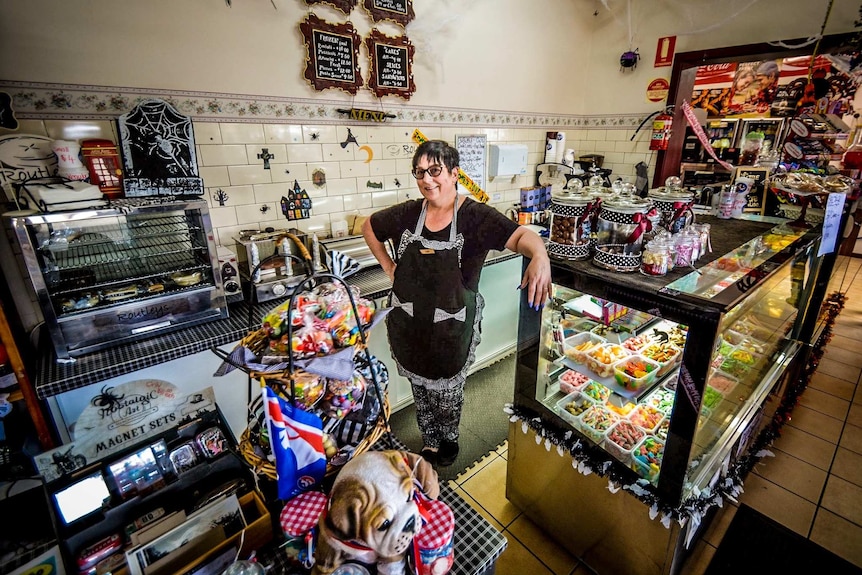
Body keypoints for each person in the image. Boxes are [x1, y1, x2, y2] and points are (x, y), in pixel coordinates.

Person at [363, 139, 551, 467]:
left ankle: (447, 439)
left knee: (446, 393)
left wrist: (540, 255)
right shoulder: (409, 212)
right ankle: (429, 439)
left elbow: (522, 236)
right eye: (419, 172)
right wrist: (390, 268)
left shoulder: (476, 217)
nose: (426, 179)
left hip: (452, 329)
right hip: (409, 325)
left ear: (454, 174)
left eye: (434, 170)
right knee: (420, 390)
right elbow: (369, 227)